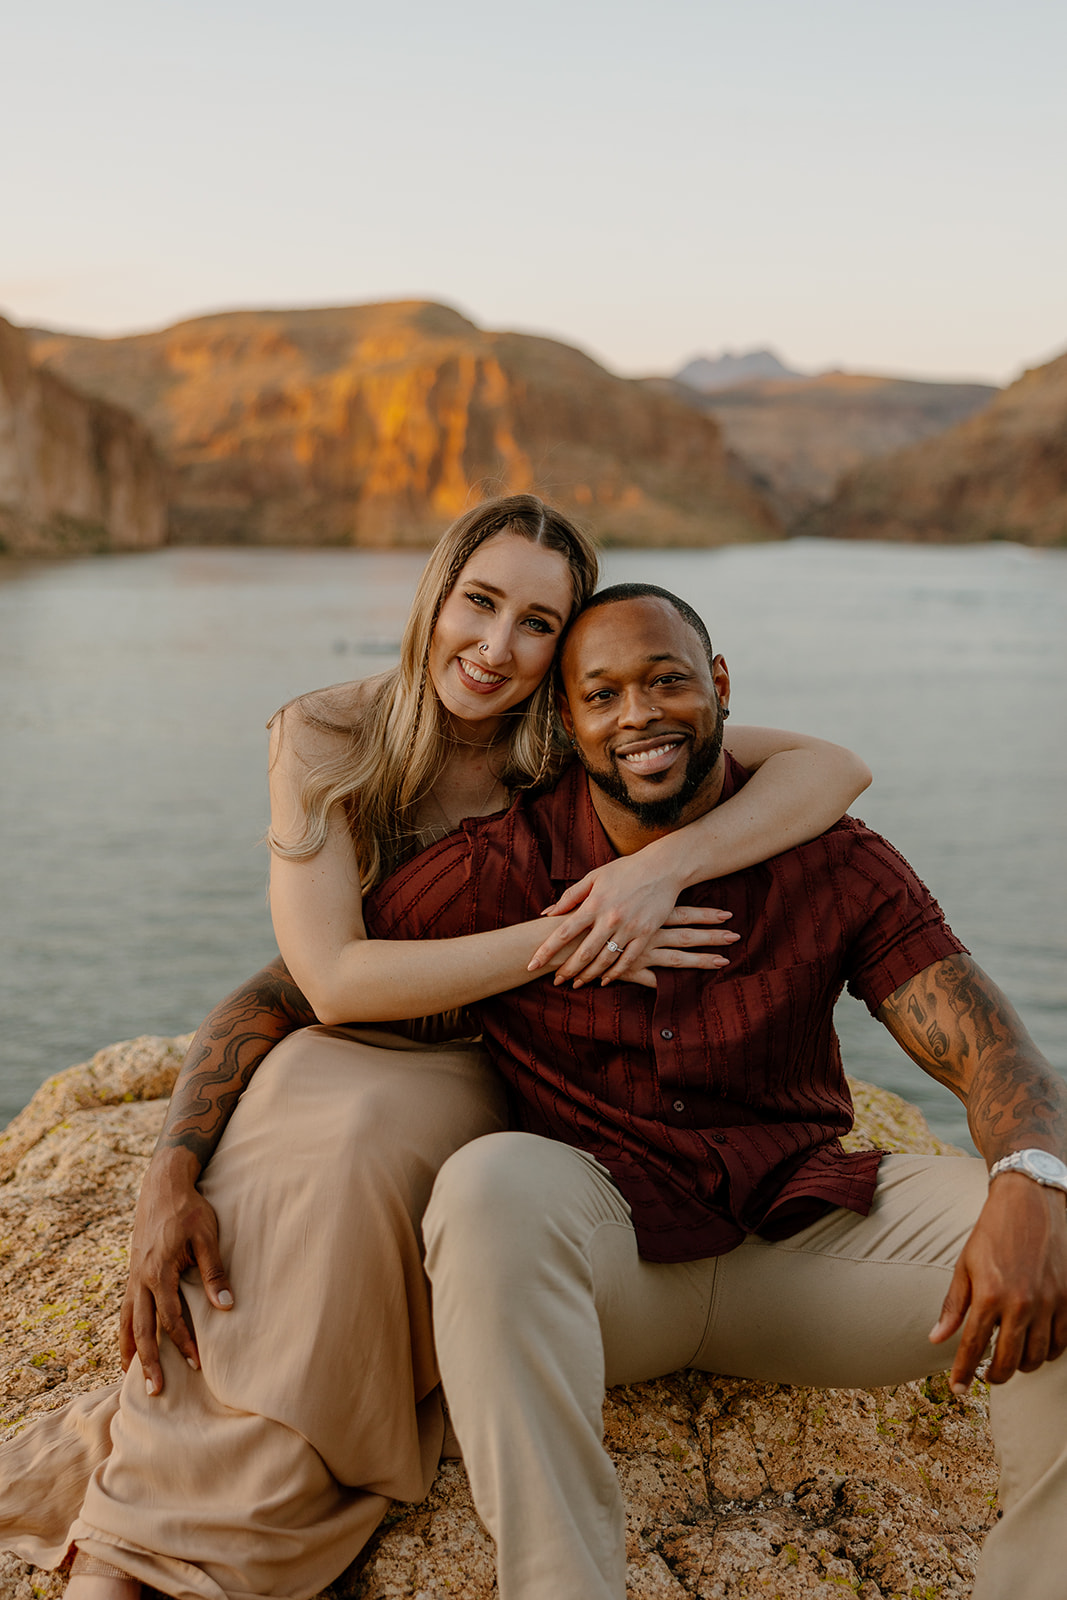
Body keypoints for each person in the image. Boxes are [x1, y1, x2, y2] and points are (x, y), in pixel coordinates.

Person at [0, 498, 870, 1600]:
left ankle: (158, 1538)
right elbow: (327, 979)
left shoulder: (568, 734)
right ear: (436, 592)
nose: (497, 648)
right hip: (338, 1043)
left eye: (539, 624)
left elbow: (830, 769)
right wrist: (169, 1166)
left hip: (496, 1064)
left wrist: (655, 870)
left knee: (366, 1151)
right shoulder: (323, 734)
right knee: (275, 1195)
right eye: (481, 602)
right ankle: (161, 1500)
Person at [361, 583, 1067, 1600]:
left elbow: (989, 1046)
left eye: (664, 681)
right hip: (607, 1267)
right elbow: (302, 985)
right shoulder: (500, 868)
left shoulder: (829, 855)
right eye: (601, 695)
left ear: (718, 686)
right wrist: (175, 1164)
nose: (637, 713)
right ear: (566, 724)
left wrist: (1028, 1180)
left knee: (1056, 1223)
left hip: (806, 1247)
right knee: (485, 1188)